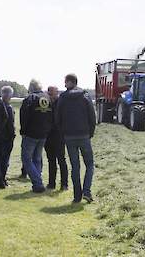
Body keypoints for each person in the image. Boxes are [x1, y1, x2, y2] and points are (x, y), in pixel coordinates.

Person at [57, 74, 96, 203]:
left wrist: (63, 133)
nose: (64, 84)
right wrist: (91, 132)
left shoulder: (62, 98)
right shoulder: (85, 96)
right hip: (84, 135)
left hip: (69, 136)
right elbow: (92, 115)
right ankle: (87, 191)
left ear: (69, 82)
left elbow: (58, 118)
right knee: (89, 164)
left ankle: (77, 196)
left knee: (75, 166)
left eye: (65, 82)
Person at [20, 79, 53, 193]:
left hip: (31, 134)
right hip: (43, 134)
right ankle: (36, 183)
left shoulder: (29, 99)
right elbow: (51, 116)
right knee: (37, 159)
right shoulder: (47, 98)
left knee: (26, 159)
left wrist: (23, 131)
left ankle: (38, 183)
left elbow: (24, 117)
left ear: (31, 87)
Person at [45, 86, 68, 190]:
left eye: (51, 93)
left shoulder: (61, 104)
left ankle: (64, 184)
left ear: (56, 93)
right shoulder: (46, 103)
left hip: (59, 135)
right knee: (51, 160)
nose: (50, 95)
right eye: (49, 93)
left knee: (61, 160)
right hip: (49, 135)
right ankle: (51, 183)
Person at [0, 86, 16, 187]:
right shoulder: (8, 108)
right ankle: (1, 180)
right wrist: (13, 136)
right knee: (4, 160)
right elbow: (10, 124)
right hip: (6, 137)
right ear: (10, 95)